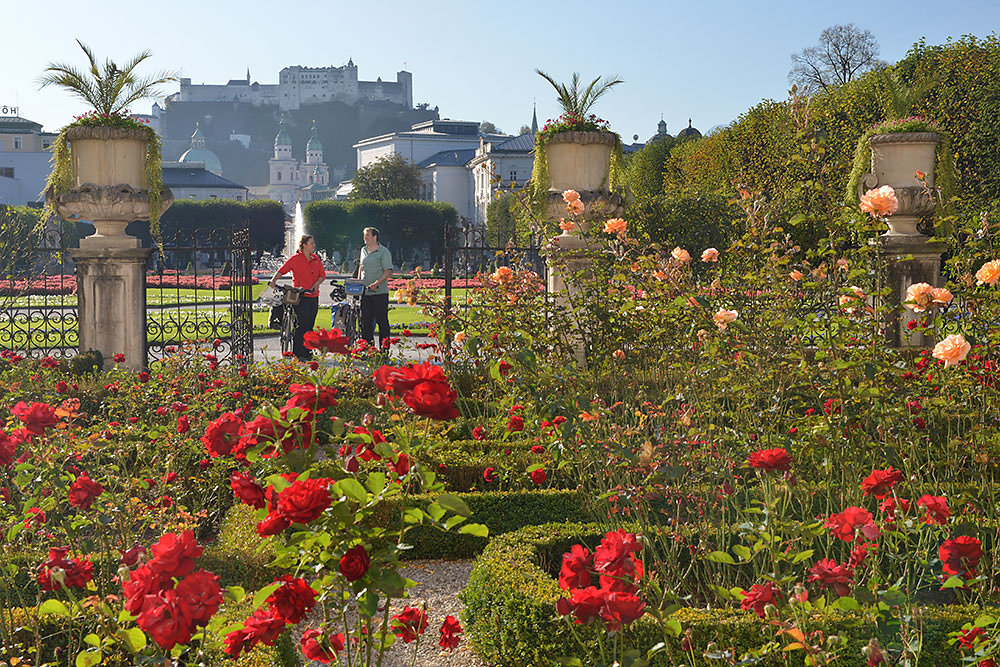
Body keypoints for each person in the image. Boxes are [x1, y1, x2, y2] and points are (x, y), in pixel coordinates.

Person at [268, 235, 326, 362]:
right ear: (304, 245)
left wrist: (316, 285)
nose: (313, 245)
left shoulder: (316, 259)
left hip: (313, 296)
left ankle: (307, 352)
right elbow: (282, 270)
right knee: (302, 325)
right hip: (300, 296)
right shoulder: (295, 259)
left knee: (310, 325)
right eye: (311, 243)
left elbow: (322, 275)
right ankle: (298, 352)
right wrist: (273, 281)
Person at [358, 226, 393, 348]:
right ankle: (368, 350)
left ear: (374, 237)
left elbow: (388, 270)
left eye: (367, 235)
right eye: (364, 235)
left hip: (379, 293)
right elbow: (361, 267)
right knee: (365, 323)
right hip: (365, 293)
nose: (365, 237)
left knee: (382, 322)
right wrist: (358, 283)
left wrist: (377, 283)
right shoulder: (363, 250)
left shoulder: (383, 252)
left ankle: (384, 350)